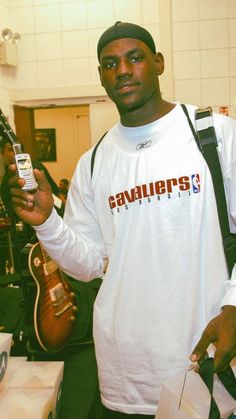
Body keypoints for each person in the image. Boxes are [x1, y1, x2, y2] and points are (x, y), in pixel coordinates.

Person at [8, 21, 236, 417]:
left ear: (158, 63)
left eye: (135, 58)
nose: (123, 70)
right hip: (125, 373)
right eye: (110, 64)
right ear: (101, 77)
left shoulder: (212, 135)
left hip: (205, 357)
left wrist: (234, 308)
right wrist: (46, 221)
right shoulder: (94, 162)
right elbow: (87, 265)